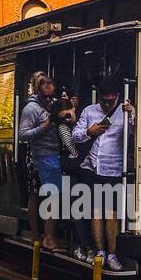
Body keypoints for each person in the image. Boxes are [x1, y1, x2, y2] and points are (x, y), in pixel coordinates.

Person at [73, 76, 135, 272]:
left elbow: (136, 134)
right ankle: (100, 251)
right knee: (96, 212)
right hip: (92, 167)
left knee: (112, 214)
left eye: (111, 101)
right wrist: (89, 132)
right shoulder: (89, 111)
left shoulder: (124, 111)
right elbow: (75, 135)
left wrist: (131, 115)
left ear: (117, 97)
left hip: (115, 168)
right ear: (98, 98)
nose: (108, 105)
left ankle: (112, 254)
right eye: (104, 101)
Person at [18, 74, 61, 250]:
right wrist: (44, 127)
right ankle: (44, 237)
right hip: (40, 156)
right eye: (43, 83)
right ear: (37, 87)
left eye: (50, 82)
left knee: (43, 195)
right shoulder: (31, 109)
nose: (49, 85)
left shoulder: (55, 103)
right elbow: (22, 134)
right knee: (49, 196)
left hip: (55, 154)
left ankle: (41, 236)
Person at [51, 96, 95, 260]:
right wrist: (89, 135)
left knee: (87, 209)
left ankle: (83, 246)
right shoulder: (64, 128)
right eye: (63, 117)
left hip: (85, 170)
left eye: (68, 114)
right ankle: (83, 246)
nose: (67, 119)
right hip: (73, 171)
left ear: (73, 109)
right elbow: (74, 150)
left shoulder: (83, 119)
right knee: (79, 209)